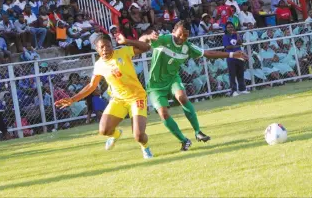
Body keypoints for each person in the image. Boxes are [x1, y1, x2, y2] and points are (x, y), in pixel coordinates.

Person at [139, 21, 247, 151]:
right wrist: (147, 37)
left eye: (185, 36)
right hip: (155, 85)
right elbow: (141, 42)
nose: (182, 38)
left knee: (183, 97)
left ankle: (198, 132)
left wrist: (232, 54)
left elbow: (209, 54)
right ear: (173, 31)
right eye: (179, 34)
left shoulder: (188, 47)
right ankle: (184, 140)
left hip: (173, 79)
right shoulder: (164, 39)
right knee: (163, 113)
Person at [55, 33, 155, 159]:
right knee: (104, 130)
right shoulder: (99, 65)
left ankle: (145, 147)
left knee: (139, 136)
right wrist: (72, 99)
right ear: (96, 49)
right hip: (118, 100)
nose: (105, 49)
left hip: (136, 98)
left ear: (112, 46)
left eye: (108, 46)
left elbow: (146, 47)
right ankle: (115, 134)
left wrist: (127, 40)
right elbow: (91, 86)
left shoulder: (123, 52)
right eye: (101, 47)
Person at [223, 22, 249, 97]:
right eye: (228, 27)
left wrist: (237, 34)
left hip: (239, 56)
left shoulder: (236, 35)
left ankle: (242, 89)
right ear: (226, 29)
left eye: (231, 27)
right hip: (231, 57)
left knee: (240, 73)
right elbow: (227, 47)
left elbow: (240, 43)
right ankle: (233, 90)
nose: (230, 28)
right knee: (232, 74)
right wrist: (236, 46)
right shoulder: (225, 36)